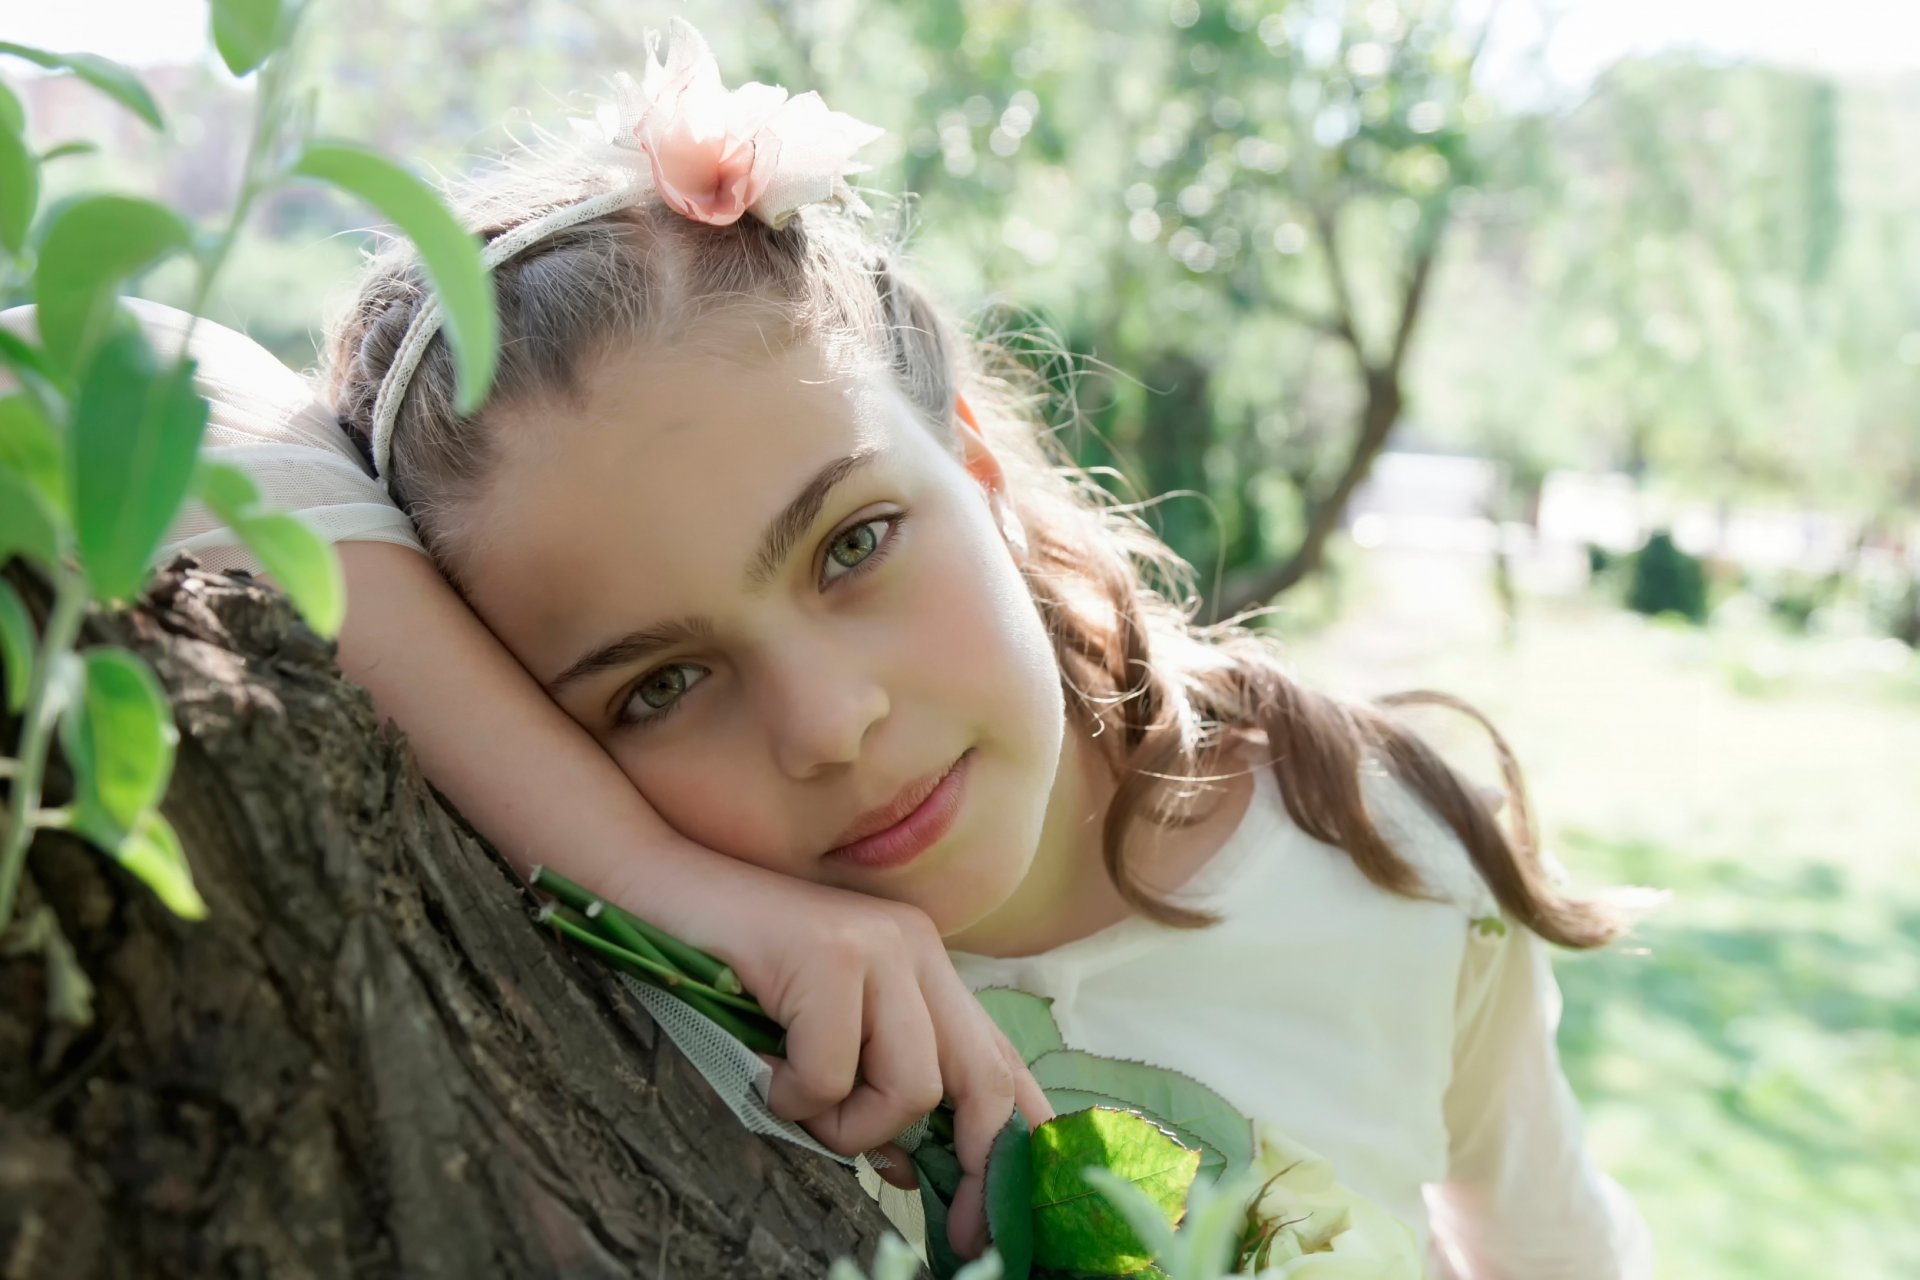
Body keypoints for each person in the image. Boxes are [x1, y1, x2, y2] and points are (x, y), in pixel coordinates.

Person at [94, 18, 1651, 1274]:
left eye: (852, 544)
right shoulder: (624, 963)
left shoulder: (1382, 860)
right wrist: (666, 887)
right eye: (660, 685)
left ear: (971, 455)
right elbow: (98, 363)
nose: (828, 724)